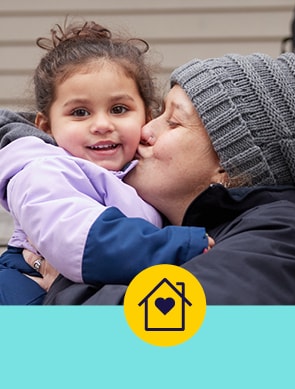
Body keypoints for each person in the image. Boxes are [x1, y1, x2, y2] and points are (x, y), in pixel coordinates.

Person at [28, 51, 295, 305]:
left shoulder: (281, 247)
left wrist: (66, 285)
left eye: (172, 122)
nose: (144, 131)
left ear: (229, 165)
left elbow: (151, 336)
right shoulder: (192, 231)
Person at [0, 20, 213, 305]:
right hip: (25, 288)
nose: (101, 124)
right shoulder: (42, 169)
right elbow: (83, 241)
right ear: (46, 127)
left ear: (146, 117)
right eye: (79, 112)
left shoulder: (142, 174)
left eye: (118, 109)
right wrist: (179, 246)